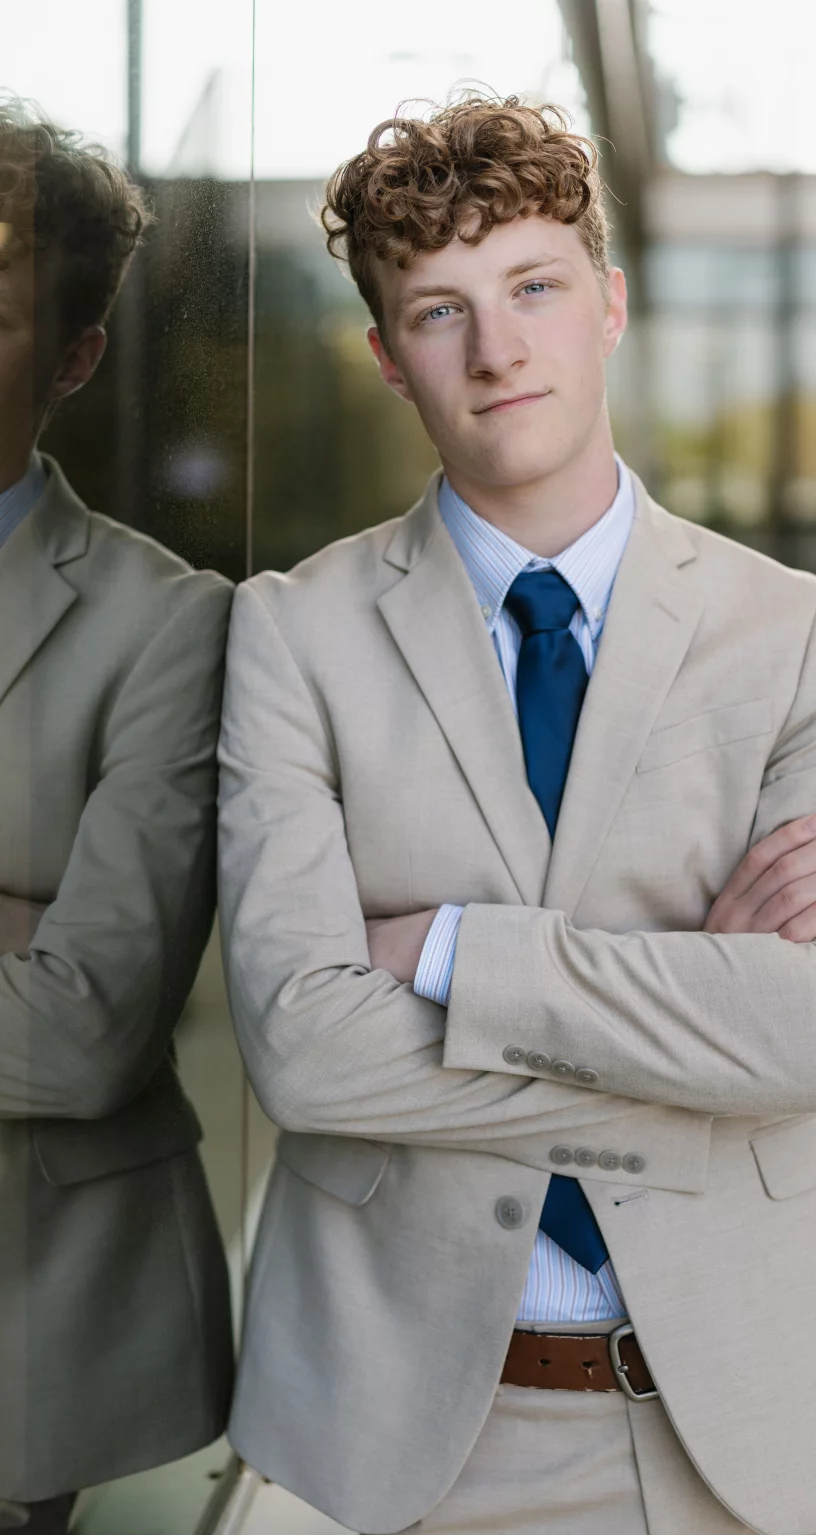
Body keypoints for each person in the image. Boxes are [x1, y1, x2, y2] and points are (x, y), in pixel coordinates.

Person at [217, 95, 816, 1534]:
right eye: (440, 311)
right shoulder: (292, 633)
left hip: (754, 1412)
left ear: (607, 305)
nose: (497, 348)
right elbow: (300, 1049)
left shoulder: (793, 631)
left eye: (534, 287)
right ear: (386, 359)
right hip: (412, 1422)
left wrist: (445, 951)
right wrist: (693, 1029)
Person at [0, 99, 233, 1533]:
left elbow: (81, 1034)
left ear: (75, 358)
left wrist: (45, 964)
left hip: (23, 1333)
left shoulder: (167, 627)